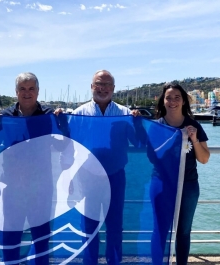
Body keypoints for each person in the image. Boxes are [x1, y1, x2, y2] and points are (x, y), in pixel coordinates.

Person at [0, 72, 69, 264]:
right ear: (16, 92)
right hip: (12, 187)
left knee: (41, 237)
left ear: (38, 91)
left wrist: (62, 123)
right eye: (22, 89)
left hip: (42, 187)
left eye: (31, 88)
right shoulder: (4, 116)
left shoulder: (49, 116)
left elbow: (61, 146)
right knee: (10, 236)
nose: (27, 93)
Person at [70, 70, 141, 265]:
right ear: (92, 87)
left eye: (107, 84)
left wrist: (138, 123)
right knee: (89, 227)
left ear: (113, 88)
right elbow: (67, 144)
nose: (103, 88)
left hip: (116, 176)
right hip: (88, 177)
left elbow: (138, 142)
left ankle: (114, 262)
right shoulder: (78, 113)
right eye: (99, 84)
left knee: (115, 226)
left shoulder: (125, 113)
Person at [151, 82, 210, 265]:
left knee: (184, 231)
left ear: (183, 101)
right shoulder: (156, 127)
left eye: (177, 97)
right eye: (169, 97)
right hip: (162, 184)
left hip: (189, 185)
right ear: (163, 101)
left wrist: (194, 139)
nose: (173, 101)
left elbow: (204, 158)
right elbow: (150, 157)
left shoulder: (194, 125)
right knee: (160, 229)